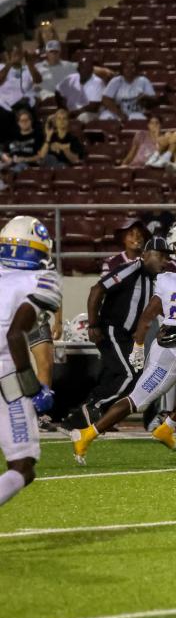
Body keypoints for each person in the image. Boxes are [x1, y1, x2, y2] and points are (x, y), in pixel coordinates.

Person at [71, 238, 176, 462]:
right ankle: (87, 434)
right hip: (172, 355)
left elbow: (147, 315)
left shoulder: (168, 279)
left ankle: (167, 428)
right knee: (137, 401)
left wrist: (138, 346)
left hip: (173, 347)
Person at [77, 236, 172, 428]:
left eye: (167, 257)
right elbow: (97, 290)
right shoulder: (132, 269)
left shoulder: (153, 280)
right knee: (130, 375)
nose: (165, 261)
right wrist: (93, 324)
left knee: (118, 377)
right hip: (112, 330)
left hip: (126, 336)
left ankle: (84, 420)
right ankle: (93, 407)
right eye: (161, 256)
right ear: (146, 254)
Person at [0, 216, 60, 509]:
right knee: (23, 465)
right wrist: (33, 387)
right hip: (6, 375)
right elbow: (15, 335)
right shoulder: (41, 279)